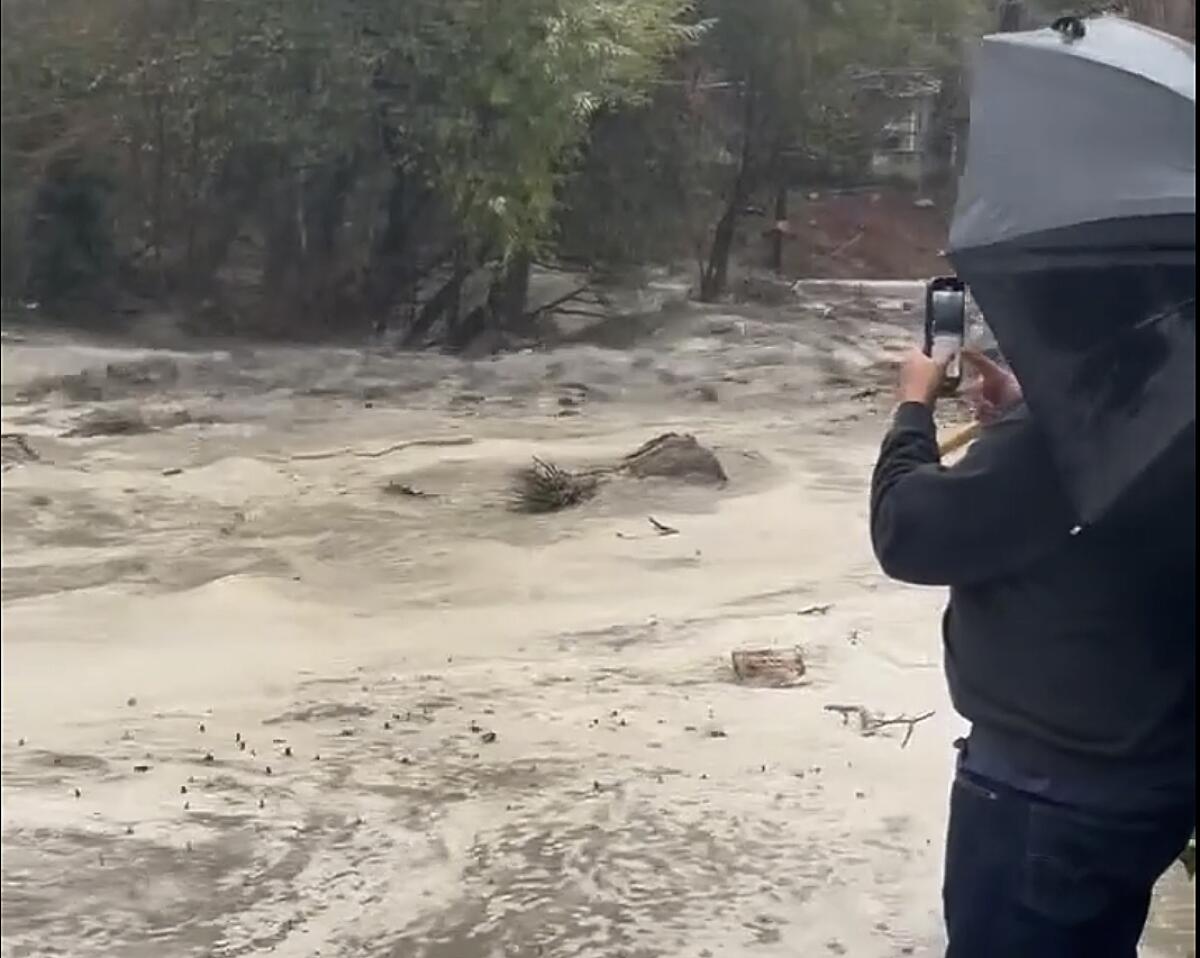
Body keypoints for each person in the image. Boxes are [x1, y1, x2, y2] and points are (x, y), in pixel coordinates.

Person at [869, 348, 1196, 958]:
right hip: (1154, 777)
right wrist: (1021, 419)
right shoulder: (1168, 407)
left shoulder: (1078, 424)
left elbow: (908, 530)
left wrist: (912, 407)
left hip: (1047, 796)